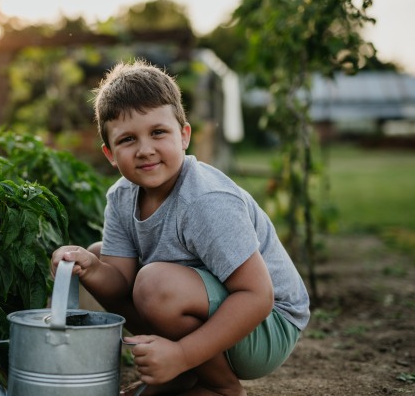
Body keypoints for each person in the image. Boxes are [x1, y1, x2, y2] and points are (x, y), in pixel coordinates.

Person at [50, 60, 310, 396]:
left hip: (266, 325)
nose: (145, 150)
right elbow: (119, 284)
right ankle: (185, 376)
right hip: (221, 306)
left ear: (184, 135)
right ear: (110, 154)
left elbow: (257, 296)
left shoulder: (205, 200)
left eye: (158, 132)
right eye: (128, 139)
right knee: (100, 256)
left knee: (153, 284)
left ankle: (220, 387)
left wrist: (181, 353)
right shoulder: (121, 197)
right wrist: (89, 266)